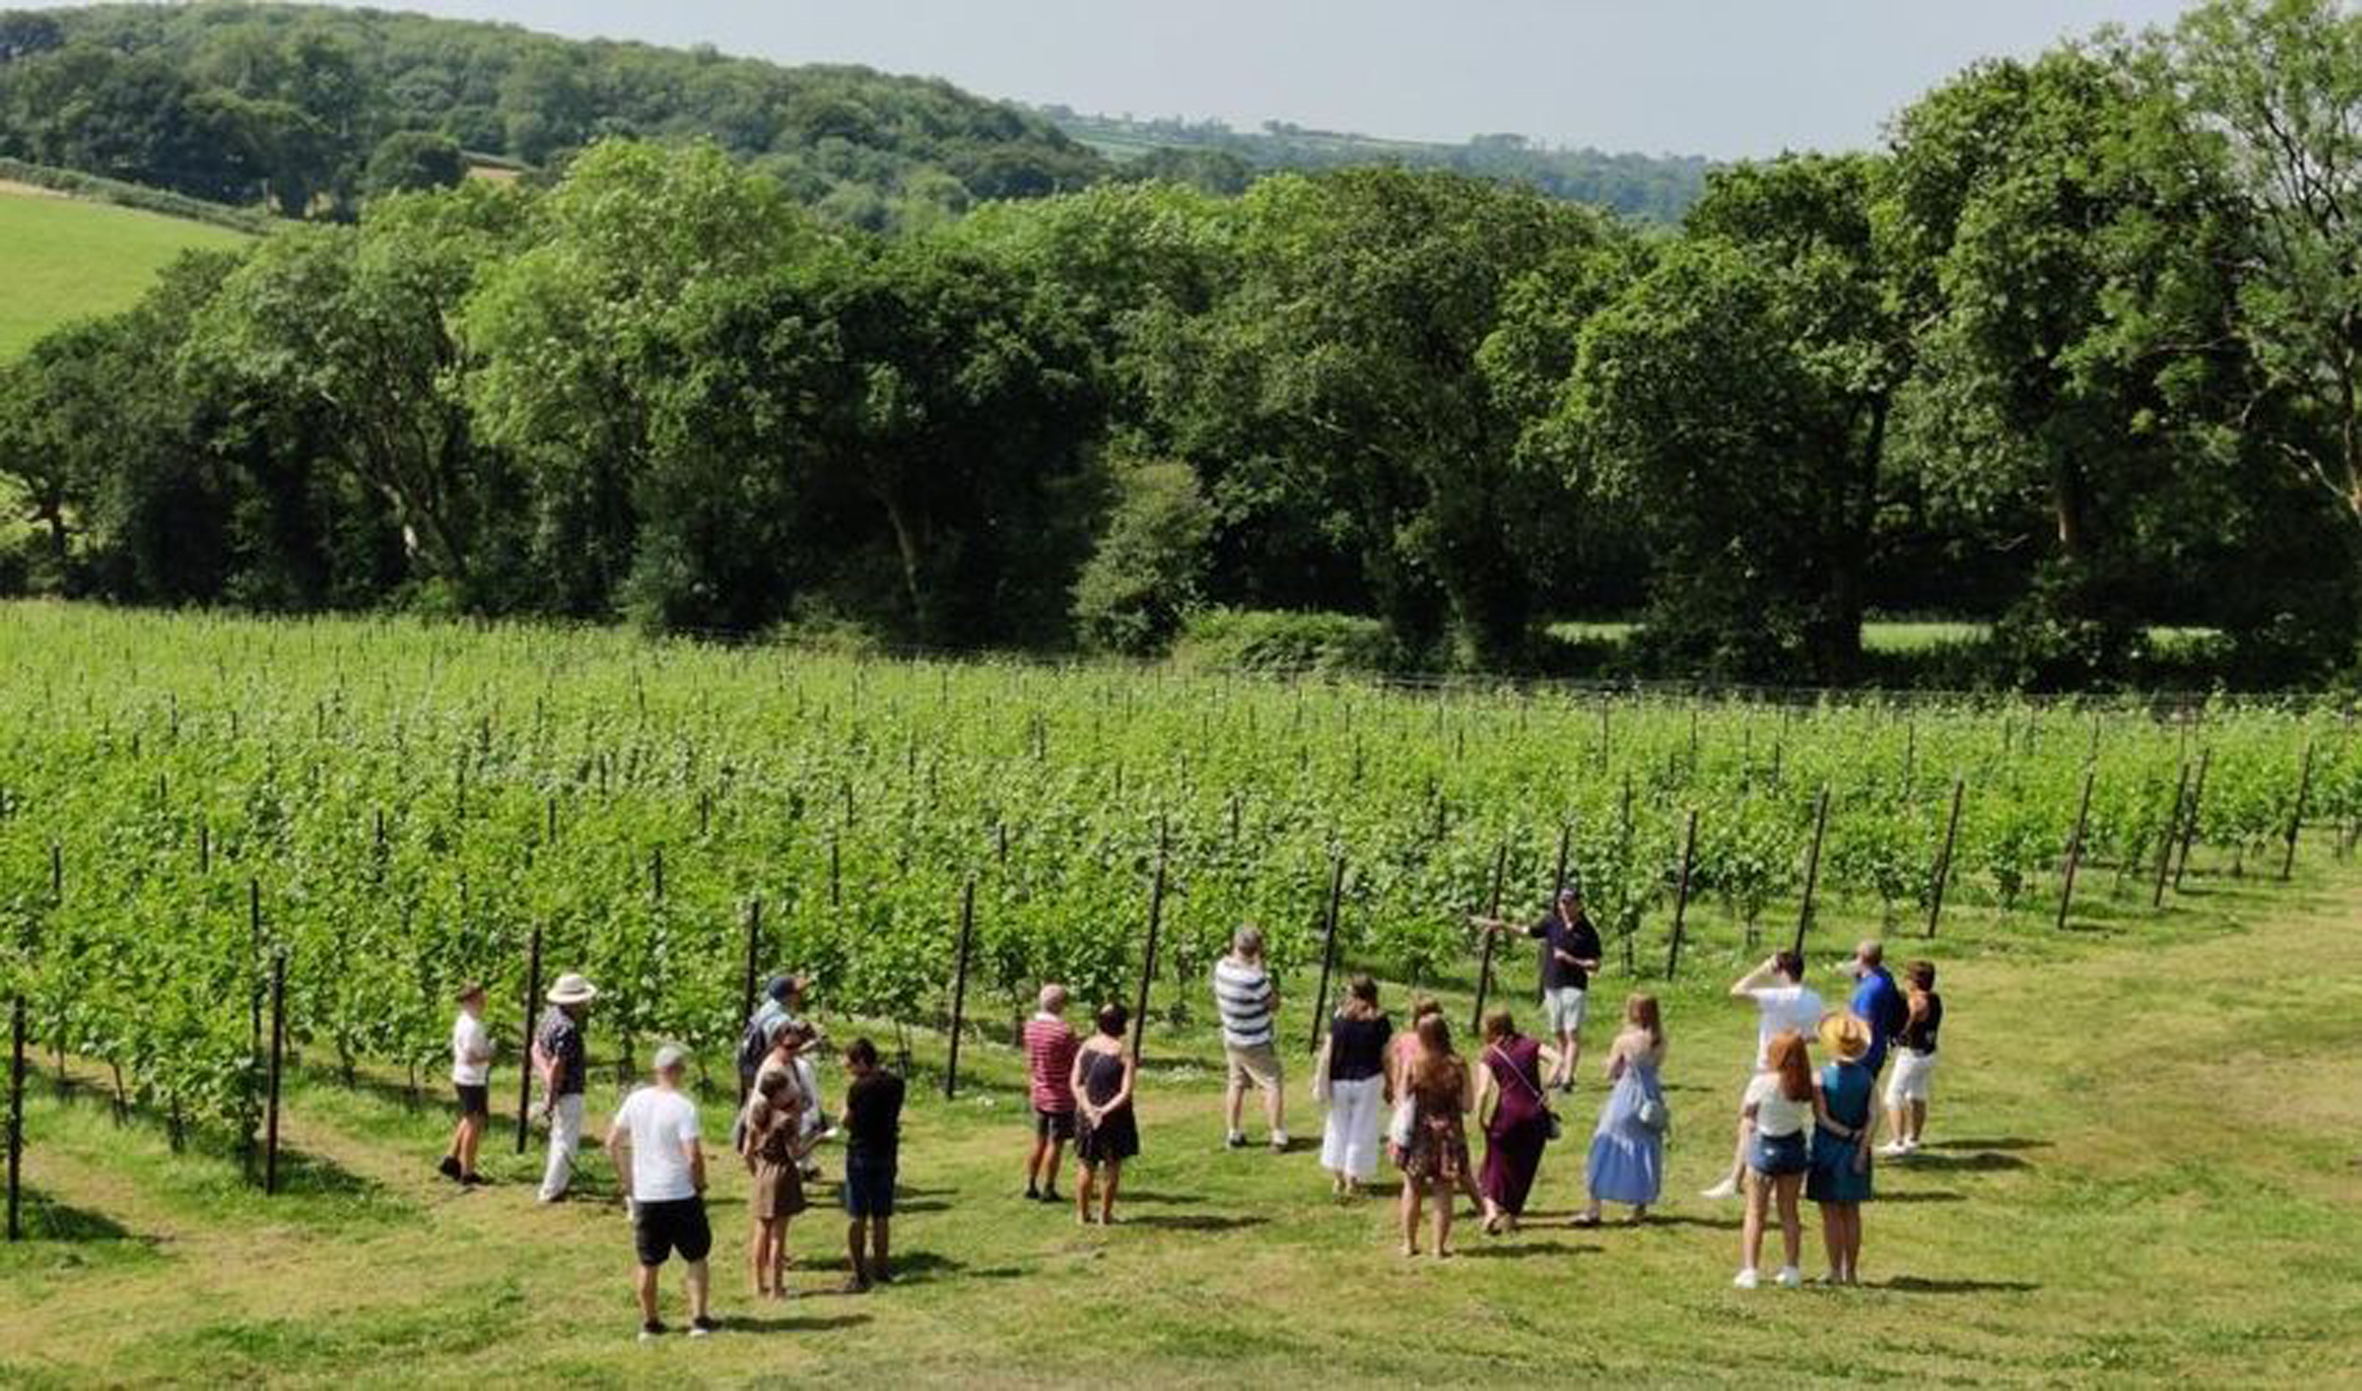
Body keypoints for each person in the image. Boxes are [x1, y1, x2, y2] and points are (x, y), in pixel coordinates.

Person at [606, 1044, 715, 1340]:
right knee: (696, 1257)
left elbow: (612, 1143)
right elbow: (692, 1155)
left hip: (647, 1195)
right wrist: (700, 1184)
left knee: (648, 1262)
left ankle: (650, 1323)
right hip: (680, 1193)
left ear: (656, 1070)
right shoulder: (683, 1106)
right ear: (679, 1070)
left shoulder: (635, 1100)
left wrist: (628, 1182)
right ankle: (699, 1320)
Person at [1702, 952, 1822, 1200]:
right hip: (1799, 1067)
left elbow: (1736, 991)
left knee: (1749, 1120)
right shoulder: (1814, 999)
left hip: (1770, 1069)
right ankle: (1795, 1178)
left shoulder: (1777, 997)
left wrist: (1762, 969)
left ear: (1782, 972)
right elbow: (1815, 1034)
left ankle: (1736, 1179)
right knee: (1792, 1122)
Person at [1479, 885, 1602, 1093]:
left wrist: (1571, 959)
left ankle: (1568, 1079)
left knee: (1572, 1033)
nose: (1564, 906)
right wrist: (1503, 925)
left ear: (1579, 905)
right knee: (1558, 1032)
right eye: (1562, 902)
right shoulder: (1552, 922)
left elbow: (1596, 965)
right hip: (1552, 984)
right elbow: (1528, 932)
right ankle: (1561, 1071)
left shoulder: (1587, 931)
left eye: (1569, 902)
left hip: (1574, 987)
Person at [1734, 1028, 1814, 1290]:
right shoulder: (1805, 1084)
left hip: (1766, 1146)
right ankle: (1792, 1269)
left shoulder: (1762, 1082)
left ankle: (1750, 1270)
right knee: (1789, 1213)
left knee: (1755, 1213)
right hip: (1793, 1148)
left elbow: (1746, 1112)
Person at [1578, 993, 1668, 1226]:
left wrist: (1608, 1065)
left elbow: (1611, 1072)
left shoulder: (1624, 1040)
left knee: (1605, 1144)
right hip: (1650, 1096)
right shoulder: (1659, 1039)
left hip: (1627, 1095)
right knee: (1646, 1148)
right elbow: (1655, 1066)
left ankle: (1594, 1208)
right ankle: (1639, 1208)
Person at [1808, 1012, 1878, 1285]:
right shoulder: (1867, 1078)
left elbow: (1821, 1117)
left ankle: (1835, 1270)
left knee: (1830, 1215)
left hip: (1828, 1148)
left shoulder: (1820, 1077)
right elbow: (1874, 1115)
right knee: (1852, 1212)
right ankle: (1852, 1272)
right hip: (1857, 1150)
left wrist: (1846, 1135)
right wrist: (1862, 1146)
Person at [1397, 1013, 1472, 1260]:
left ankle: (1409, 1244)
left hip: (1419, 1134)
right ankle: (1438, 1248)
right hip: (1449, 1134)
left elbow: (1401, 1099)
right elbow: (1468, 1105)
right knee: (1444, 1191)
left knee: (1412, 1187)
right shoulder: (1458, 1064)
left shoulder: (1414, 1063)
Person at [1472, 1010, 1552, 1234]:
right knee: (1525, 1165)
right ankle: (1511, 1215)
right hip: (1535, 1115)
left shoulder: (1490, 1054)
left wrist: (1480, 1118)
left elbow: (1484, 1091)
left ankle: (1491, 1212)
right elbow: (1558, 1059)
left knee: (1493, 1164)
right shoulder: (1530, 1044)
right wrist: (1547, 1087)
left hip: (1507, 1115)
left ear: (1491, 1028)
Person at [1316, 975, 1392, 1197]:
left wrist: (1321, 1077)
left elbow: (1328, 1050)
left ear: (1352, 992)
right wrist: (1391, 1082)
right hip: (1369, 1079)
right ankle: (1353, 1180)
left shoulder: (1339, 1016)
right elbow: (1386, 1056)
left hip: (1339, 1079)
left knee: (1337, 1127)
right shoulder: (1380, 1020)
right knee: (1362, 1129)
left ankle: (1338, 1178)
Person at [1212, 927, 1287, 1151]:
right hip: (1255, 1041)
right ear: (1258, 948)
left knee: (1236, 1084)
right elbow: (1274, 1004)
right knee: (1272, 1084)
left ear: (1234, 944)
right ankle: (1278, 1136)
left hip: (1232, 1037)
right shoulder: (1254, 979)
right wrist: (1263, 972)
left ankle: (1233, 1133)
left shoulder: (1221, 967)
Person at [839, 1037, 904, 1292]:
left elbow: (845, 1120)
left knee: (857, 1214)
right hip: (887, 1151)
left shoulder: (858, 1089)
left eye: (851, 1064)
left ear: (862, 1061)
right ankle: (882, 1269)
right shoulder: (896, 1084)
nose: (849, 1070)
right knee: (881, 1214)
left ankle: (858, 1273)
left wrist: (847, 1099)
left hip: (861, 1153)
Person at [737, 1070, 806, 1301]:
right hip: (781, 1176)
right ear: (777, 1093)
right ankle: (776, 1289)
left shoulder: (755, 1113)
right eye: (786, 1088)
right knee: (778, 1237)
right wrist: (817, 1139)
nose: (790, 1092)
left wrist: (757, 1173)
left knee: (761, 1232)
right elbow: (795, 1154)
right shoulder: (784, 1121)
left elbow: (746, 1152)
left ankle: (758, 1285)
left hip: (762, 1174)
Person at [1071, 1003, 1139, 1226]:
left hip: (1085, 1115)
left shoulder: (1086, 1046)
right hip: (1114, 1118)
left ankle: (1081, 1215)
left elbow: (1076, 1083)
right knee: (1111, 1165)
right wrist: (1104, 1110)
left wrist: (1088, 1108)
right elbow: (1126, 1092)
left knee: (1086, 1164)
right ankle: (1104, 1216)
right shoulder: (1124, 1053)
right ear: (1122, 1025)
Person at [532, 973, 597, 1203]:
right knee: (565, 1140)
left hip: (557, 1087)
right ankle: (552, 1190)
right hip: (568, 1090)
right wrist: (552, 1091)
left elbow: (536, 1050)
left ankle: (554, 1186)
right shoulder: (568, 1028)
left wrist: (547, 1080)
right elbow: (559, 1065)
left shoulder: (548, 1017)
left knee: (558, 1137)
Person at [1022, 983, 1080, 1203]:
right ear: (1061, 1005)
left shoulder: (1030, 1026)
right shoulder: (1064, 1032)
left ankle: (1030, 1184)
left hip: (1039, 1091)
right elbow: (1075, 1061)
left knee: (1039, 1140)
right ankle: (1049, 1187)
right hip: (1060, 1096)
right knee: (1055, 1143)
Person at [1879, 961, 1943, 1157]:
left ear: (1915, 981)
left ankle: (1898, 1142)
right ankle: (1913, 1138)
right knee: (1917, 1095)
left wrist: (1895, 1037)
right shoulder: (1935, 998)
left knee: (1893, 1096)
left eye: (1908, 978)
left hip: (1912, 1055)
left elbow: (1906, 1028)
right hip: (1930, 1053)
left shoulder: (1915, 1002)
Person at [440, 982, 493, 1185]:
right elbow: (471, 1057)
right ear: (470, 1001)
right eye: (481, 997)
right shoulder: (473, 1026)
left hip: (463, 1077)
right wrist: (490, 1054)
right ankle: (467, 1171)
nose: (484, 1000)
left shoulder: (464, 1020)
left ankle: (451, 1160)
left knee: (468, 1118)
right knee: (475, 1123)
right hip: (472, 1079)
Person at [1848, 941, 1905, 1078]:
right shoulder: (1886, 976)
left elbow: (1865, 1025)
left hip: (1864, 1054)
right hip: (1879, 1047)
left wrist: (1847, 1052)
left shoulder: (1868, 990)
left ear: (1861, 958)